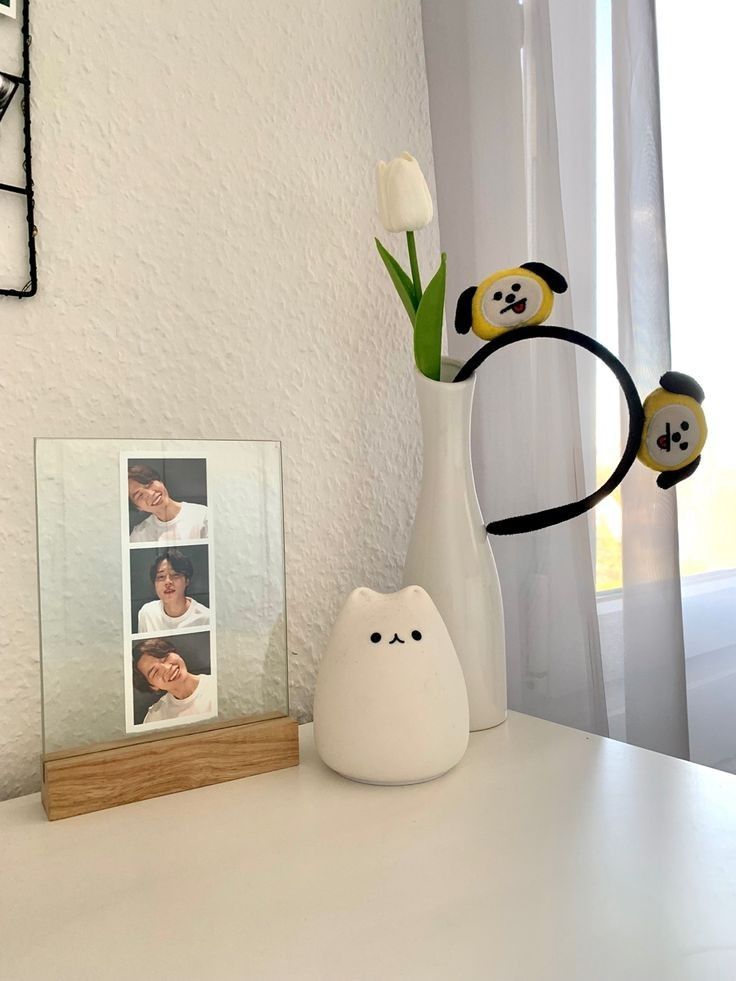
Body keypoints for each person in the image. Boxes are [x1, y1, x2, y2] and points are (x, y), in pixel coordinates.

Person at [132, 637, 217, 725]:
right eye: (155, 672)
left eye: (165, 658)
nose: (167, 668)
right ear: (152, 687)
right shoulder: (156, 718)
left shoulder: (219, 685)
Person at [128, 463, 208, 544]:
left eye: (149, 484)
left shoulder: (203, 515)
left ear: (160, 481)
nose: (150, 494)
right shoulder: (139, 536)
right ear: (138, 508)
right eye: (139, 495)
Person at [137, 549, 210, 633]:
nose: (168, 582)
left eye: (175, 575)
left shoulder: (206, 618)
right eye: (161, 577)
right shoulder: (147, 613)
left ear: (187, 581)